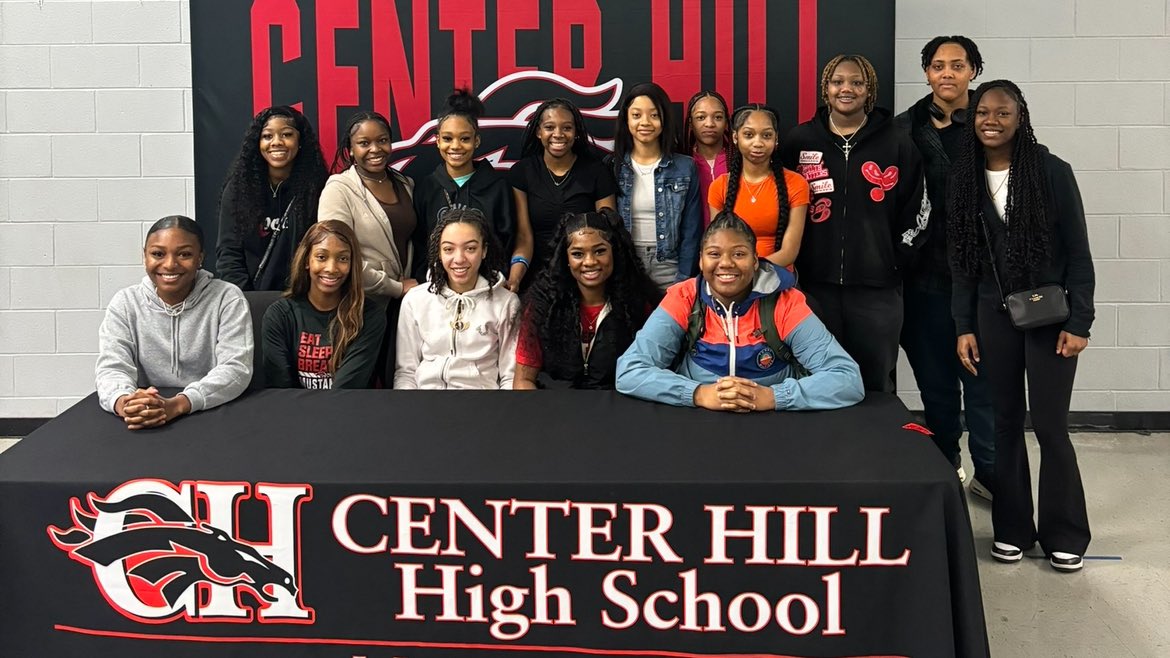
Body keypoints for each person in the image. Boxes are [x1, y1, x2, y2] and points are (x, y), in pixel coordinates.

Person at [948, 80, 1095, 572]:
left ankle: (1066, 533)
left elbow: (1079, 253)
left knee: (1051, 426)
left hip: (1050, 317)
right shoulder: (963, 177)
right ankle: (1013, 528)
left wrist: (1081, 321)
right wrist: (963, 325)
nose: (991, 120)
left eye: (1002, 112)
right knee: (1006, 423)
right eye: (983, 112)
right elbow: (962, 264)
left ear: (1020, 117)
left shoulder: (1052, 172)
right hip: (993, 317)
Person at [781, 55, 928, 393]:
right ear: (825, 89)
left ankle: (877, 446)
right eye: (837, 82)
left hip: (877, 291)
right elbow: (782, 207)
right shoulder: (800, 141)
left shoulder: (897, 141)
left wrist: (895, 260)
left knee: (875, 383)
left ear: (869, 90)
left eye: (856, 82)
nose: (846, 89)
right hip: (813, 287)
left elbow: (918, 208)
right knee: (816, 379)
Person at [615, 212, 864, 411]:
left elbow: (847, 379)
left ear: (756, 261)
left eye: (739, 254)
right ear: (700, 261)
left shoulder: (785, 301)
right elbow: (630, 370)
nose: (726, 263)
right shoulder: (684, 297)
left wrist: (773, 397)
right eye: (714, 254)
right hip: (697, 420)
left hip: (775, 423)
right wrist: (697, 393)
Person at [894, 35, 996, 493]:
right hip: (925, 279)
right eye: (938, 65)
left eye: (958, 64)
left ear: (974, 69)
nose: (948, 73)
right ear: (927, 72)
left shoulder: (996, 123)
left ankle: (992, 477)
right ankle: (946, 469)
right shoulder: (905, 128)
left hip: (986, 281)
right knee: (935, 385)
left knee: (984, 389)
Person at [96, 216, 253, 429]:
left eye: (184, 254)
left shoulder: (227, 298)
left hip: (209, 412)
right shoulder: (125, 302)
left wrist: (179, 404)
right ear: (144, 256)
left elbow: (236, 369)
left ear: (200, 258)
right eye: (158, 254)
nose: (170, 264)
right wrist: (126, 402)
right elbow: (111, 367)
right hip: (144, 415)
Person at [318, 110, 420, 383]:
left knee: (394, 381)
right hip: (358, 307)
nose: (375, 149)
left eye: (383, 140)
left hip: (399, 308)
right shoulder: (339, 189)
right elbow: (336, 260)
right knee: (358, 385)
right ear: (350, 150)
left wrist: (402, 292)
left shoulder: (404, 183)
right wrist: (395, 287)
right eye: (364, 143)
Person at [515, 209, 661, 390]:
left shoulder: (640, 303)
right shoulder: (541, 305)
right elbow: (523, 381)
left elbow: (655, 373)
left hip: (619, 408)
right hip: (556, 408)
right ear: (565, 258)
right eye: (578, 254)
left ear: (614, 253)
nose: (590, 261)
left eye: (600, 251)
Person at [395, 209, 520, 389]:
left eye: (470, 248)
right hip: (425, 403)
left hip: (481, 405)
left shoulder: (506, 303)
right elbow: (405, 373)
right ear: (438, 252)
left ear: (484, 250)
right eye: (448, 249)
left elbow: (510, 377)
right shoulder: (415, 300)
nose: (459, 259)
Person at [411, 89, 524, 287]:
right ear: (437, 141)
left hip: (487, 289)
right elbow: (420, 244)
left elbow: (507, 241)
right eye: (447, 138)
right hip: (437, 290)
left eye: (464, 138)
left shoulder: (497, 187)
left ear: (476, 141)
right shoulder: (426, 188)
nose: (455, 146)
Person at [216, 106, 328, 291]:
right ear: (257, 143)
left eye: (286, 135)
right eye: (267, 136)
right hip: (250, 298)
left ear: (300, 141)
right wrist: (245, 298)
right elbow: (229, 253)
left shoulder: (316, 190)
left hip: (301, 299)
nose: (276, 142)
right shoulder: (239, 190)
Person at [263, 220, 385, 389]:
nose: (331, 268)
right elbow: (281, 387)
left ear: (352, 264)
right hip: (292, 411)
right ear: (307, 261)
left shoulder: (369, 316)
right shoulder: (280, 315)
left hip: (346, 411)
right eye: (321, 257)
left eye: (343, 258)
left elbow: (347, 388)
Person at [509, 98, 617, 284]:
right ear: (538, 132)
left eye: (566, 128)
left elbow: (606, 235)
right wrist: (514, 279)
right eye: (550, 127)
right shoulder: (522, 172)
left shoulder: (597, 172)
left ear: (576, 133)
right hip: (538, 278)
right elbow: (524, 238)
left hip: (585, 275)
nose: (558, 134)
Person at [608, 82, 703, 289]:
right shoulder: (613, 167)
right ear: (626, 119)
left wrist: (685, 277)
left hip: (669, 264)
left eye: (654, 115)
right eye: (636, 115)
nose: (645, 122)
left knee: (670, 322)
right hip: (626, 264)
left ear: (664, 120)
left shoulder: (685, 167)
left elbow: (691, 229)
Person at [707, 104, 809, 268]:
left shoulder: (796, 184)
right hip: (733, 277)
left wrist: (753, 269)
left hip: (777, 276)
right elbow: (717, 245)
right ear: (735, 137)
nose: (758, 143)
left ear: (776, 139)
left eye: (766, 135)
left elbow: (790, 251)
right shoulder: (719, 186)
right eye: (749, 135)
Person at [685, 90, 732, 228]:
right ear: (691, 123)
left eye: (717, 117)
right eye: (701, 117)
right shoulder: (682, 164)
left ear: (726, 122)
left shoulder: (739, 161)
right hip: (692, 243)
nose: (709, 124)